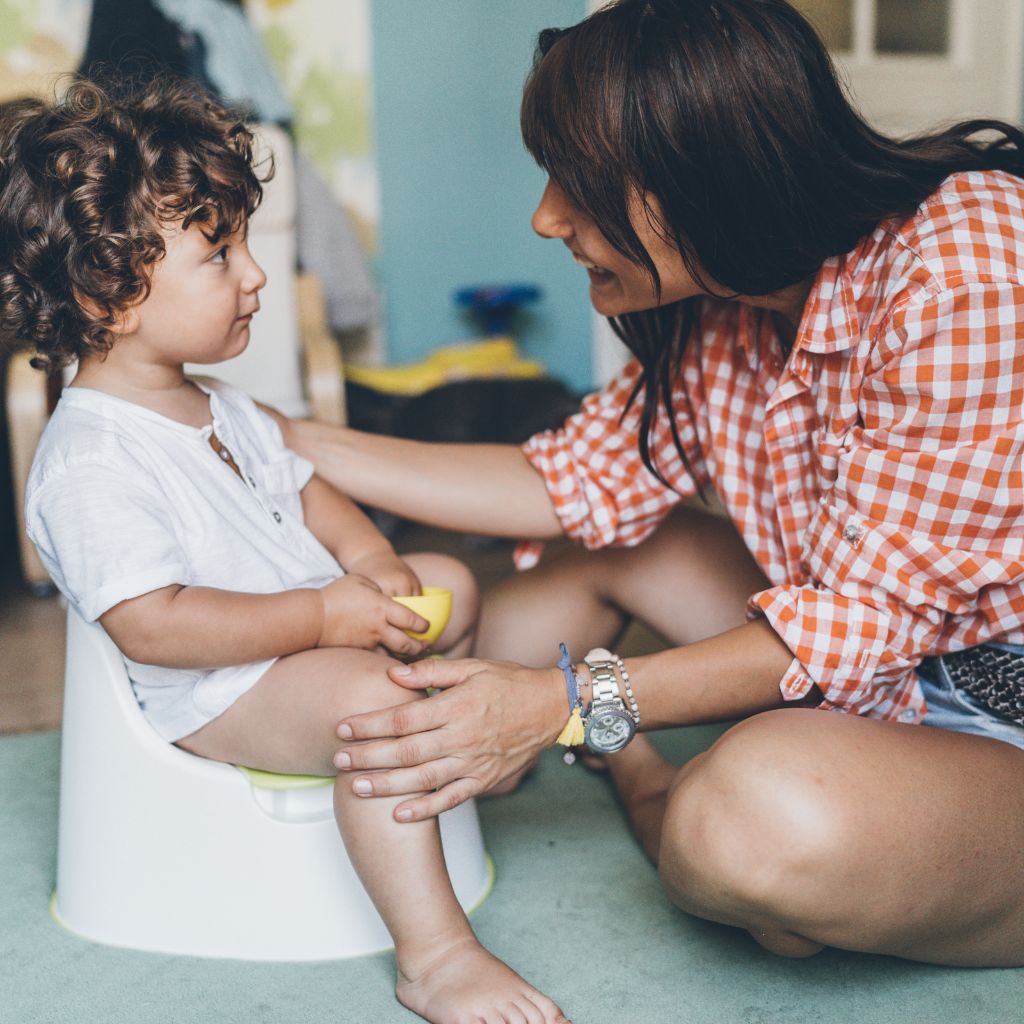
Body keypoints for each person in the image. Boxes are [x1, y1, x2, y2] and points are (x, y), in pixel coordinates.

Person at [280, 0, 1024, 969]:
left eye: (580, 184)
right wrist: (284, 439)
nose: (546, 218)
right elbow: (566, 480)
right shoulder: (730, 303)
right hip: (890, 667)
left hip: (994, 707)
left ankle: (645, 783)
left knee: (746, 828)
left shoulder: (966, 269)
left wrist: (561, 704)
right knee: (590, 570)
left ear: (706, 173)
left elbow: (857, 624)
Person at [1, 77, 569, 1024]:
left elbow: (308, 490)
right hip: (218, 688)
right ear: (111, 294)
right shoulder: (91, 459)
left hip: (307, 631)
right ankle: (435, 958)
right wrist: (321, 616)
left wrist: (371, 563)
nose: (256, 275)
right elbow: (155, 627)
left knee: (450, 583)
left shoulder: (219, 403)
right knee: (378, 706)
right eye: (221, 254)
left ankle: (463, 762)